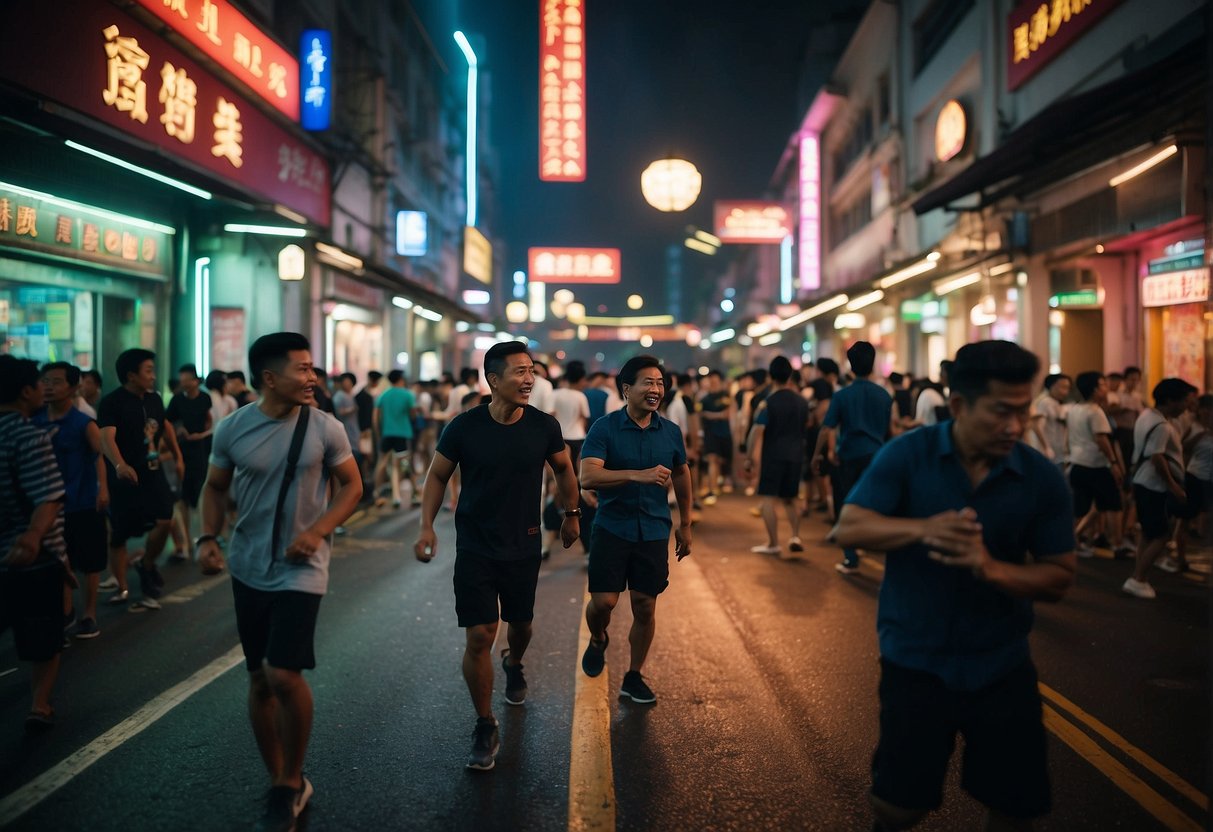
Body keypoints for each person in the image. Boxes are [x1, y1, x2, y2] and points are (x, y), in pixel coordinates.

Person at [834, 340, 1076, 832]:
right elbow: (849, 527)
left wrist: (992, 569)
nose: (1014, 426)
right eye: (1001, 412)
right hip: (915, 661)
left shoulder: (1040, 477)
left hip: (1003, 664)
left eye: (1023, 411)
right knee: (899, 808)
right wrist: (923, 529)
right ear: (961, 404)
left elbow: (1058, 576)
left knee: (1014, 808)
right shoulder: (908, 455)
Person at [198, 332, 361, 831]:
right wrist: (207, 537)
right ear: (269, 377)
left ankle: (292, 779)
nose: (313, 378)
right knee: (257, 679)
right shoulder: (232, 429)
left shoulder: (325, 427)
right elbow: (214, 487)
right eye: (303, 369)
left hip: (301, 570)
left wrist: (317, 531)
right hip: (247, 566)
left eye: (314, 369)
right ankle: (278, 780)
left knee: (283, 674)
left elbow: (353, 486)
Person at [413, 341, 581, 771]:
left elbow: (563, 468)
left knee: (519, 625)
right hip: (475, 544)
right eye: (519, 373)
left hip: (522, 543)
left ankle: (515, 660)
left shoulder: (543, 426)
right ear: (493, 379)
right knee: (480, 634)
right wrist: (426, 525)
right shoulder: (464, 427)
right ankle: (485, 723)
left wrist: (571, 513)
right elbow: (437, 476)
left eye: (532, 372)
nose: (529, 380)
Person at [578, 355, 692, 705]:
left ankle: (633, 676)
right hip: (613, 527)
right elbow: (588, 476)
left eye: (660, 383)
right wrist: (637, 474)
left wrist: (685, 523)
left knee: (645, 606)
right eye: (648, 382)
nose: (656, 389)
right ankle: (598, 638)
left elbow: (682, 474)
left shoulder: (670, 431)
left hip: (654, 530)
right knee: (604, 603)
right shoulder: (604, 427)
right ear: (627, 389)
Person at [1, 355, 68, 732]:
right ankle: (39, 704)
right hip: (33, 557)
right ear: (26, 391)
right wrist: (33, 537)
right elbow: (48, 497)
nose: (45, 389)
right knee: (44, 635)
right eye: (40, 383)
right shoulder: (29, 435)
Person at [98, 349, 182, 611]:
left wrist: (178, 457)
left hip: (153, 473)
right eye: (148, 371)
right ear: (131, 375)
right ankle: (122, 586)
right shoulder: (112, 402)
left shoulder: (154, 399)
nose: (153, 376)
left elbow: (165, 425)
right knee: (120, 534)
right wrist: (120, 464)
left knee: (165, 520)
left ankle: (146, 564)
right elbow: (105, 437)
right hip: (126, 479)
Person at [35, 362, 109, 640]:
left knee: (89, 561)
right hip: (48, 505)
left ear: (73, 387)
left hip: (83, 500)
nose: (49, 386)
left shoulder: (83, 422)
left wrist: (102, 489)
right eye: (46, 381)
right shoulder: (36, 419)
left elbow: (99, 455)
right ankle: (64, 614)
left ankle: (88, 614)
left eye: (56, 381)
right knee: (57, 561)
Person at [814, 341, 894, 574]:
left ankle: (851, 557)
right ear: (872, 364)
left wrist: (817, 455)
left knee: (846, 503)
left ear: (850, 365)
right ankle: (874, 545)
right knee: (876, 504)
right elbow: (890, 430)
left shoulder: (842, 396)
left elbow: (827, 428)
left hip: (848, 456)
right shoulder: (884, 395)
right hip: (877, 455)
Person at [1123, 378, 1195, 599]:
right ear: (1170, 400)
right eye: (1184, 401)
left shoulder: (1147, 415)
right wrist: (1174, 487)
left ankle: (1139, 576)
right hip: (1153, 485)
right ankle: (1137, 579)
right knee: (1162, 536)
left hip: (1143, 482)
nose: (1186, 406)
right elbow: (1157, 458)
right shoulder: (1162, 426)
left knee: (1148, 533)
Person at [746, 356, 809, 556]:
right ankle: (795, 535)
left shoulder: (768, 403)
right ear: (790, 375)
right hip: (796, 455)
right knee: (791, 499)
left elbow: (758, 432)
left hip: (773, 456)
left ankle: (773, 542)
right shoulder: (801, 402)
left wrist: (751, 458)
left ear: (771, 377)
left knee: (768, 500)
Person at [1065, 372, 1130, 557]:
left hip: (1077, 463)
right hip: (1096, 464)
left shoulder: (1075, 409)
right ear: (1094, 389)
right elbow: (1101, 439)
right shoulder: (1095, 411)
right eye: (1102, 385)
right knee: (1113, 504)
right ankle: (1117, 544)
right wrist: (1115, 463)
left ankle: (1072, 542)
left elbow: (1068, 436)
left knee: (1081, 507)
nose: (1106, 388)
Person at [166, 364, 213, 561]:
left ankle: (200, 537)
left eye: (187, 379)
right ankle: (186, 541)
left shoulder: (204, 398)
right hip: (182, 451)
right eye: (181, 379)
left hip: (200, 450)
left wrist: (201, 434)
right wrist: (180, 430)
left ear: (196, 380)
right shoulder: (177, 400)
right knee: (182, 498)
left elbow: (210, 421)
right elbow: (167, 422)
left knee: (199, 495)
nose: (184, 383)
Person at [374, 370, 419, 508]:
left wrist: (378, 433)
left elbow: (376, 416)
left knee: (382, 463)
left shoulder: (383, 395)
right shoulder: (407, 395)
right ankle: (414, 494)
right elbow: (413, 414)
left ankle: (378, 494)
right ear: (401, 379)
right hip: (402, 433)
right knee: (405, 463)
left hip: (387, 433)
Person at [698, 370, 733, 506]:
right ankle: (713, 490)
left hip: (724, 433)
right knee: (712, 459)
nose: (713, 381)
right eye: (710, 378)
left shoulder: (725, 395)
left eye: (715, 378)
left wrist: (709, 415)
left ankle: (718, 484)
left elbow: (726, 414)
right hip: (710, 434)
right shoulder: (704, 399)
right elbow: (700, 415)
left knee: (720, 460)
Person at [1031, 374, 1071, 465]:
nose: (1065, 392)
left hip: (1057, 453)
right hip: (1049, 455)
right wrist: (1047, 447)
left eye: (1068, 388)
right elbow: (1037, 426)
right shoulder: (1046, 402)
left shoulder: (1055, 402)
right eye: (1062, 387)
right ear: (1052, 386)